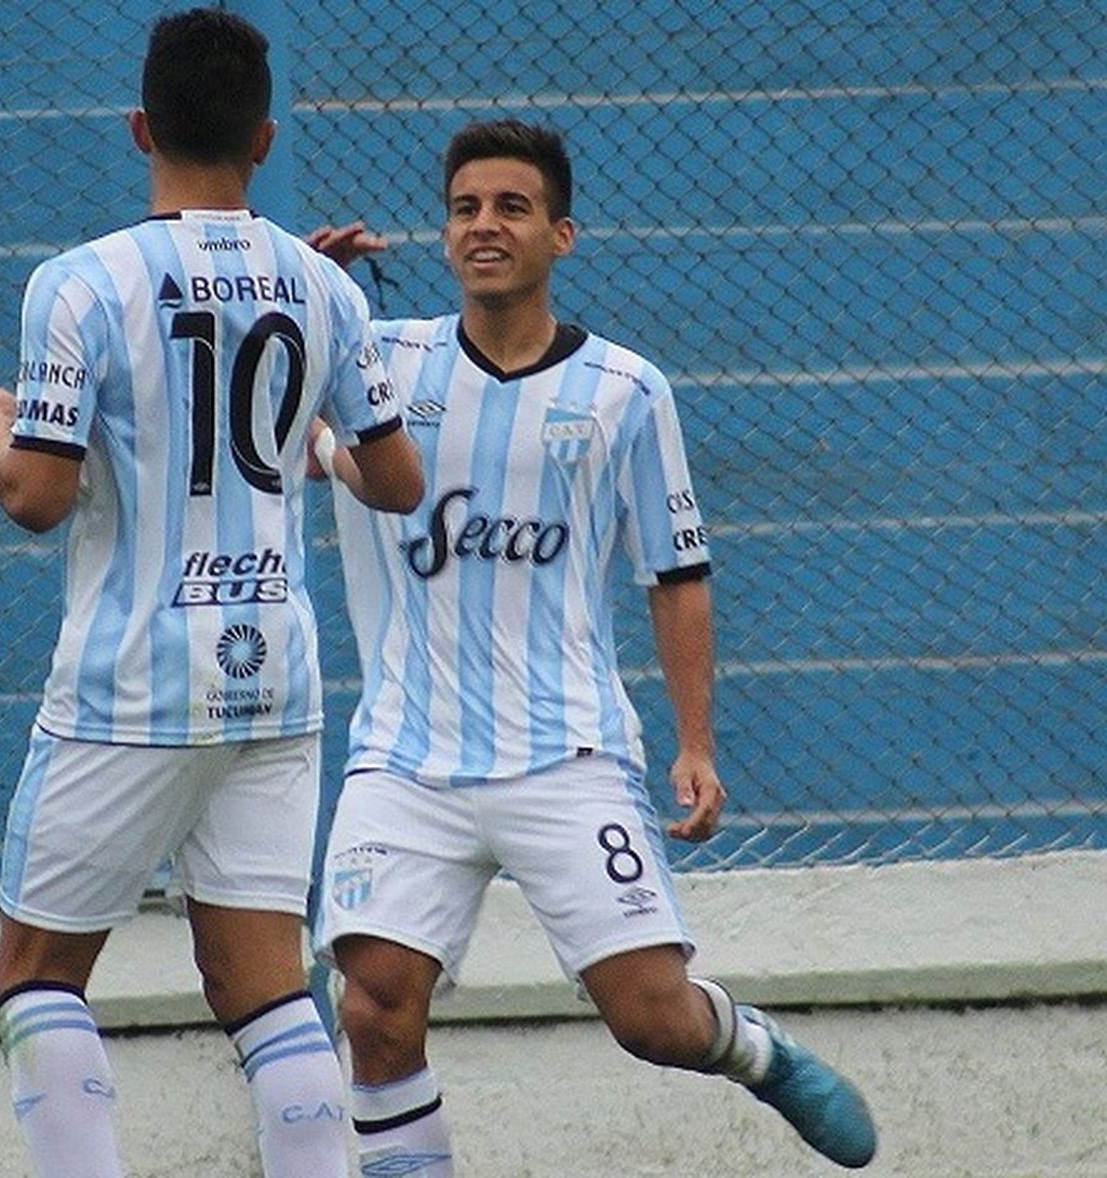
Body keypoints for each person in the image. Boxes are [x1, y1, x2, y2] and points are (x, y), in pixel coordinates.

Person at [309, 119, 877, 1173]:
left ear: (561, 235)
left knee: (653, 1019)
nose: (486, 226)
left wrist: (695, 742)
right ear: (445, 233)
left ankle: (757, 1050)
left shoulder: (625, 390)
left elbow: (676, 574)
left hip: (565, 753)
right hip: (404, 756)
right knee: (374, 1008)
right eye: (467, 207)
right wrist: (303, 306)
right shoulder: (380, 365)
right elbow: (272, 426)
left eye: (512, 207)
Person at [0, 10, 423, 1178]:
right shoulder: (323, 286)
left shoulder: (77, 283)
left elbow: (37, 497)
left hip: (133, 682)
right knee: (266, 988)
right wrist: (312, 398)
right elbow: (396, 476)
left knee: (32, 973)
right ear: (264, 139)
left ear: (137, 127)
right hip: (275, 676)